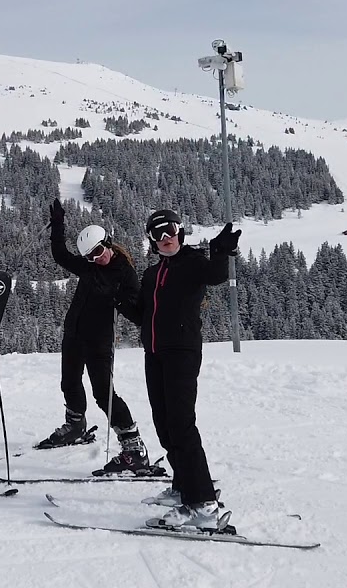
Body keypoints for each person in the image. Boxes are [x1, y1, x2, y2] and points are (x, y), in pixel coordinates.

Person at [116, 208, 241, 531]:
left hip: (182, 353)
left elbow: (216, 275)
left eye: (169, 230)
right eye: (157, 234)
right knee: (164, 425)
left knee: (182, 426)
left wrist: (222, 249)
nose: (164, 238)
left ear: (180, 232)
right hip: (154, 353)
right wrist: (118, 298)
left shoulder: (193, 262)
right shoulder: (152, 273)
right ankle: (183, 485)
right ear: (151, 240)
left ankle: (202, 504)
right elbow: (142, 314)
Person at [37, 198, 158, 476]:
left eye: (100, 251)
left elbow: (137, 313)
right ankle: (75, 425)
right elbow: (60, 255)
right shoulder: (90, 266)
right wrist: (58, 224)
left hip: (100, 340)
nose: (97, 258)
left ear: (109, 243)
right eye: (91, 256)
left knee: (104, 394)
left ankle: (133, 446)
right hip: (74, 332)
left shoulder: (124, 273)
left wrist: (117, 299)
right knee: (69, 382)